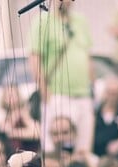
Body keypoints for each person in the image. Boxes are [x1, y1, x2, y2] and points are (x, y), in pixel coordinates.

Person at [28, 0, 94, 155]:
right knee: (55, 151)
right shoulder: (42, 22)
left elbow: (88, 56)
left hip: (83, 94)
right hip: (58, 94)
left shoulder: (81, 21)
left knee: (83, 149)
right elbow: (35, 59)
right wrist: (46, 94)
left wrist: (92, 86)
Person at [93, 75, 118, 158]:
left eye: (116, 93)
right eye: (109, 93)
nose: (112, 97)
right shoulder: (95, 111)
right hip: (97, 154)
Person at [0, 85, 40, 152]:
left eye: (13, 94)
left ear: (18, 96)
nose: (10, 97)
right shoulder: (6, 118)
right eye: (7, 95)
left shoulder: (24, 113)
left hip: (26, 154)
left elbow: (37, 132)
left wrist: (12, 133)